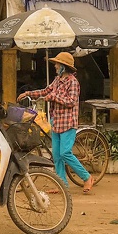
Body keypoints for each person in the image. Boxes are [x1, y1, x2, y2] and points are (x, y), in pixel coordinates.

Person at [18, 52, 92, 195]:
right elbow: (45, 91)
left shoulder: (73, 82)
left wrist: (54, 97)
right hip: (57, 121)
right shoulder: (57, 80)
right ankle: (62, 185)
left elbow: (71, 101)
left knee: (65, 153)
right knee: (57, 156)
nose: (56, 66)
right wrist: (28, 93)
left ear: (64, 66)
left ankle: (87, 177)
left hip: (68, 122)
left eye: (58, 64)